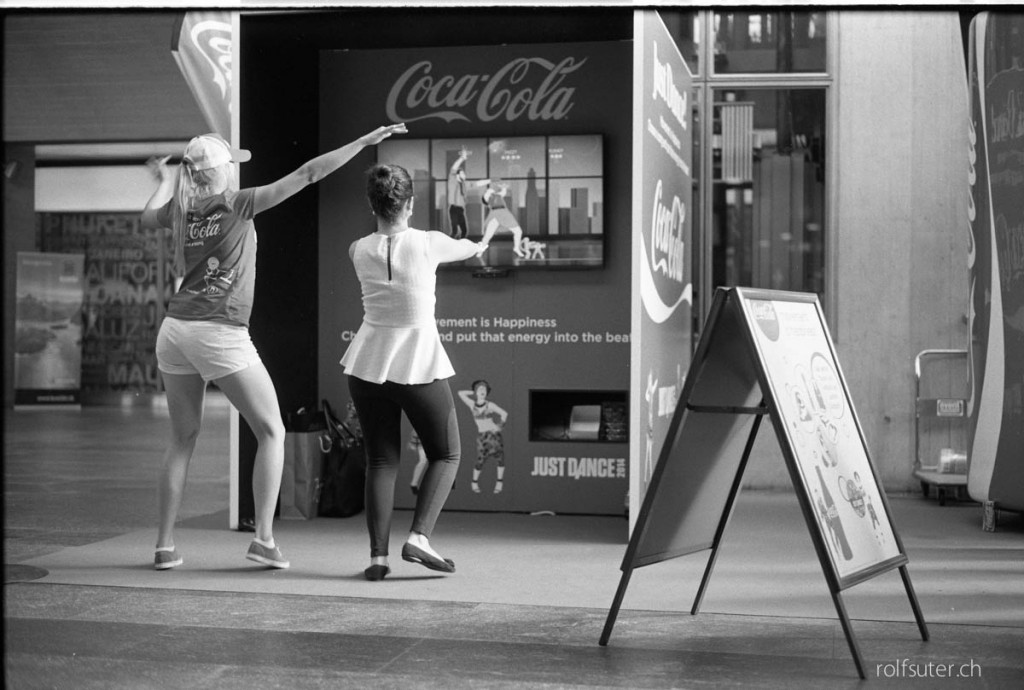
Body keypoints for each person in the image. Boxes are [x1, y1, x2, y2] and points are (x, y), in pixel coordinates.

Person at [141, 124, 407, 571]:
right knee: (271, 431)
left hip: (175, 330)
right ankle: (263, 539)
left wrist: (164, 181)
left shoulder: (181, 208)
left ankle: (164, 546)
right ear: (224, 171)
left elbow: (146, 217)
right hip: (218, 330)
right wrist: (361, 144)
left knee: (182, 438)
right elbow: (306, 174)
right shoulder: (237, 203)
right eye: (233, 165)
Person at [341, 162, 488, 581]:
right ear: (410, 203)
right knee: (447, 453)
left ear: (372, 203)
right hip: (418, 363)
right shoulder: (429, 243)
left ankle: (378, 558)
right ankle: (420, 537)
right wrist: (476, 246)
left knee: (380, 461)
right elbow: (466, 247)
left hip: (367, 364)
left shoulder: (357, 249)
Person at [458, 380, 509, 494]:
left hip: (494, 435)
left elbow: (504, 414)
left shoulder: (490, 405)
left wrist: (499, 426)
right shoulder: (472, 405)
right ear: (476, 391)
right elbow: (461, 393)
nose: (482, 391)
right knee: (480, 460)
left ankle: (499, 482)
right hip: (482, 437)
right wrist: (472, 391)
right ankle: (474, 482)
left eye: (484, 390)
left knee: (500, 458)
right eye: (480, 389)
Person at [446, 147, 489, 239]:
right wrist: (462, 158)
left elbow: (477, 183)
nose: (465, 175)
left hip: (461, 209)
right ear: (458, 175)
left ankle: (460, 246)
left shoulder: (465, 184)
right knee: (454, 231)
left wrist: (489, 181)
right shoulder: (452, 181)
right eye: (463, 174)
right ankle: (449, 246)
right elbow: (453, 168)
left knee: (464, 230)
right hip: (453, 208)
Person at [481, 181, 525, 257]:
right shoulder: (487, 196)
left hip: (505, 213)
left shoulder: (498, 195)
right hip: (495, 214)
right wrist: (489, 190)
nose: (494, 187)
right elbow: (485, 198)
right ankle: (480, 250)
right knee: (488, 235)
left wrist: (504, 187)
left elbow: (503, 192)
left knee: (518, 231)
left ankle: (516, 248)